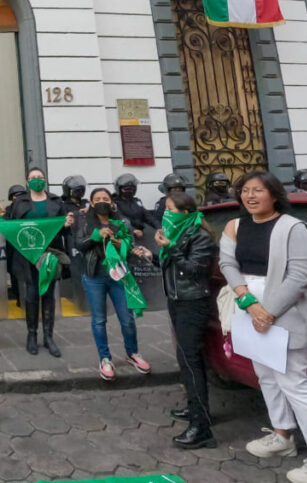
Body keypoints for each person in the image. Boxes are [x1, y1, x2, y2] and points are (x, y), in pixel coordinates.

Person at [219, 170, 307, 483]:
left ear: (274, 194)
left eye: (258, 190)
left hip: (284, 315)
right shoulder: (235, 226)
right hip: (248, 311)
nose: (250, 196)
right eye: (245, 190)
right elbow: (228, 264)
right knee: (266, 376)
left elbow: (301, 276)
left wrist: (269, 312)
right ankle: (283, 437)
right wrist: (248, 303)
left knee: (293, 382)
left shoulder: (292, 227)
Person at [138, 191, 216, 447]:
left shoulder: (199, 236)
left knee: (190, 359)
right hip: (176, 300)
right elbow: (170, 268)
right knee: (185, 358)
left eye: (170, 210)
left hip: (192, 303)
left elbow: (193, 270)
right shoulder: (178, 233)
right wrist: (152, 256)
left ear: (184, 212)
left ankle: (201, 427)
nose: (166, 214)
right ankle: (195, 409)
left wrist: (169, 248)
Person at [74, 188, 152, 380]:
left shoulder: (122, 222)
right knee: (99, 320)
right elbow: (79, 245)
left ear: (111, 202)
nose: (102, 202)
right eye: (97, 199)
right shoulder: (85, 221)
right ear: (91, 203)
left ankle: (132, 353)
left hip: (119, 275)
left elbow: (130, 247)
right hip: (94, 276)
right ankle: (105, 358)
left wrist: (121, 245)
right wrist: (96, 236)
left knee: (127, 318)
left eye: (105, 199)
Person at [6, 168, 74, 357]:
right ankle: (32, 335)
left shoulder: (55, 201)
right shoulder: (19, 203)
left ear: (45, 180)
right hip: (27, 256)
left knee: (49, 295)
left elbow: (64, 228)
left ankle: (49, 337)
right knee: (31, 294)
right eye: (32, 178)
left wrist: (67, 224)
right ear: (27, 182)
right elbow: (7, 223)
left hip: (50, 255)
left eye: (39, 177)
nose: (36, 180)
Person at [114, 173, 159, 237]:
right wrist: (132, 230)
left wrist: (158, 227)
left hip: (141, 233)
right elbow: (119, 218)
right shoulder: (115, 203)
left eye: (131, 189)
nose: (129, 191)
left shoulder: (137, 201)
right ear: (119, 189)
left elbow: (147, 216)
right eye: (126, 189)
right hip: (125, 235)